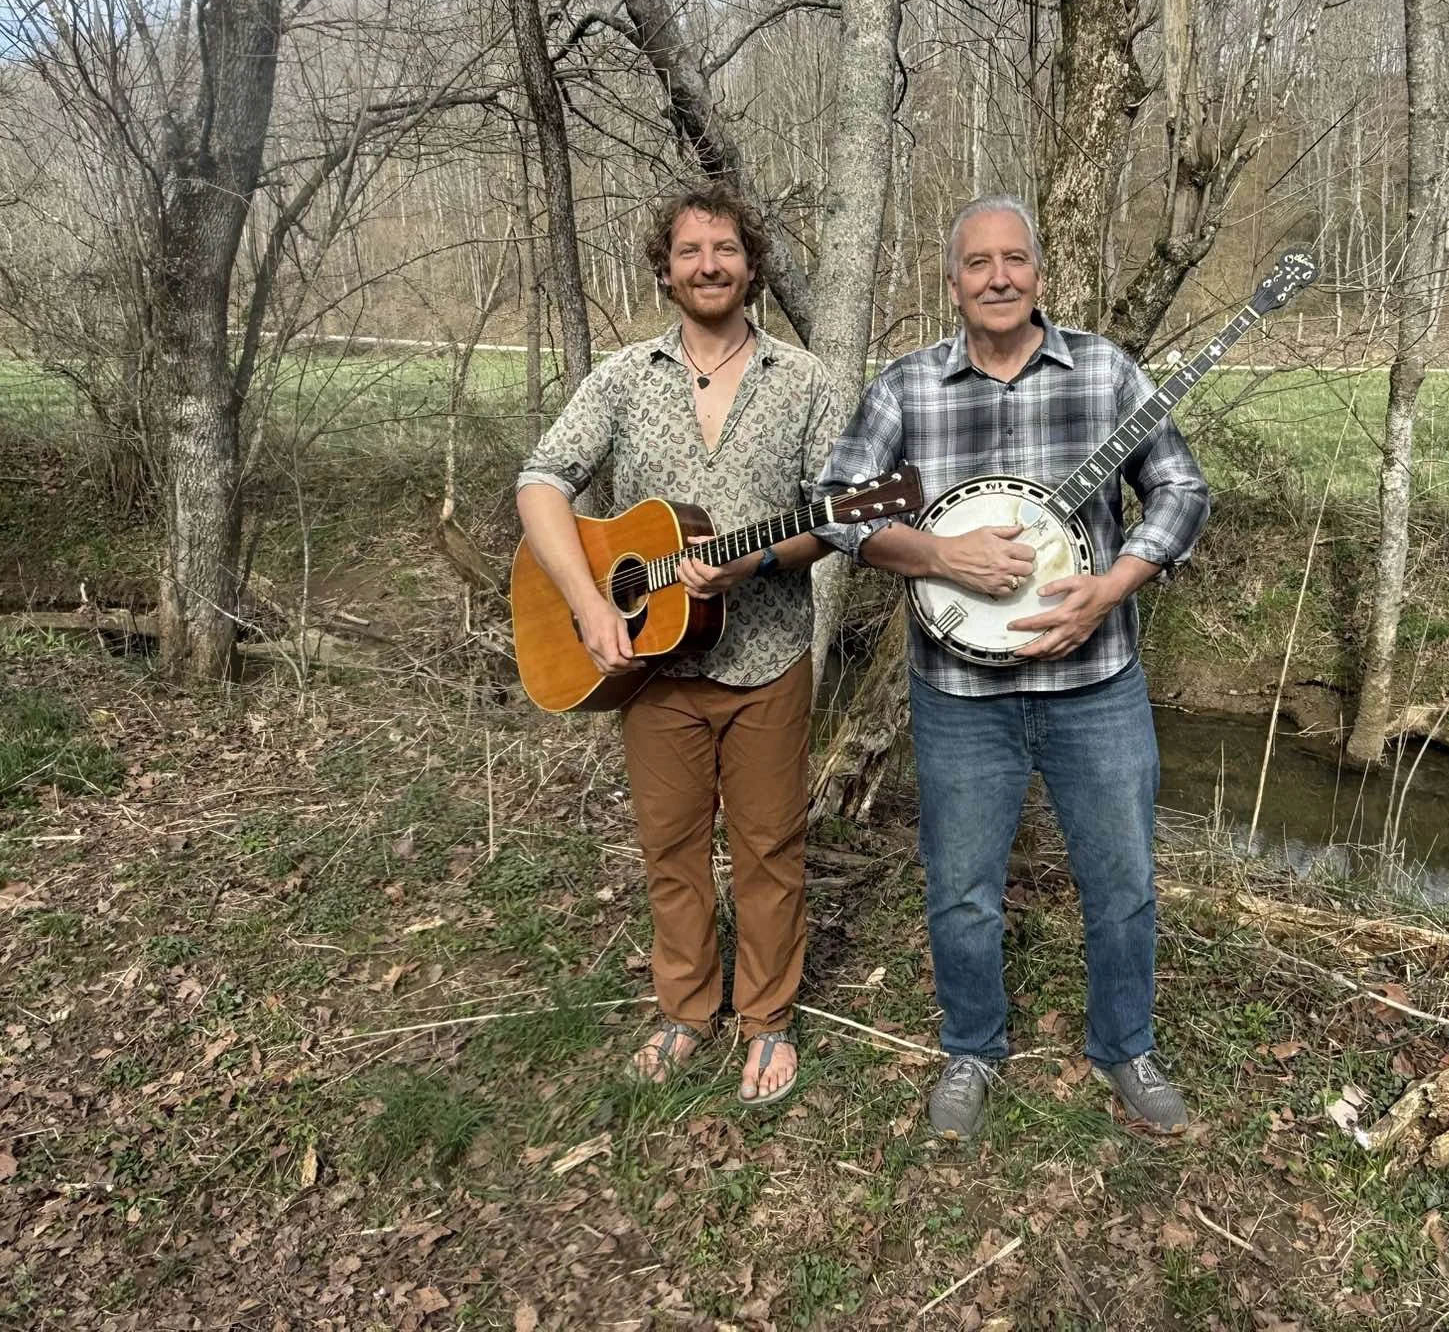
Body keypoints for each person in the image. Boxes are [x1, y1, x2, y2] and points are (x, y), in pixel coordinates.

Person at [816, 195, 1210, 1139]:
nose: (998, 278)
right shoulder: (909, 390)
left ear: (1039, 272)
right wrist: (937, 555)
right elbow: (836, 505)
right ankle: (971, 1049)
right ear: (951, 282)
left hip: (1096, 684)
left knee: (1121, 881)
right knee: (960, 886)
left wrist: (1113, 585)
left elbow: (1180, 487)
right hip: (961, 696)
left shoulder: (1104, 369)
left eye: (1015, 260)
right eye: (977, 263)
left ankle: (1127, 1047)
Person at [516, 184, 838, 1105]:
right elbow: (543, 479)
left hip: (767, 655)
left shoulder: (806, 382)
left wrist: (759, 559)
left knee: (771, 846)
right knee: (672, 848)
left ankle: (767, 1021)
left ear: (750, 265)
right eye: (691, 250)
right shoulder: (623, 377)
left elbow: (833, 519)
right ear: (665, 268)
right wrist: (588, 604)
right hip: (652, 668)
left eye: (726, 249)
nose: (709, 264)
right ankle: (687, 1010)